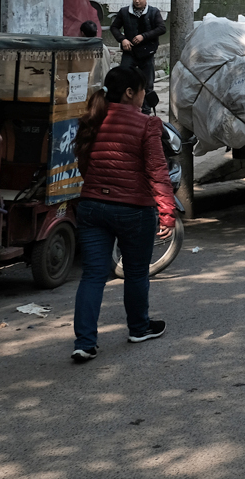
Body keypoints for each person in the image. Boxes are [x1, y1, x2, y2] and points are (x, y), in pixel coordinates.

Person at [70, 65, 177, 362]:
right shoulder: (147, 125)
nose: (144, 96)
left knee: (93, 275)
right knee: (136, 272)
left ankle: (84, 343)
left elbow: (83, 163)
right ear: (130, 92)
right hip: (133, 210)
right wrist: (167, 213)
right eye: (142, 90)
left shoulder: (93, 119)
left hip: (91, 207)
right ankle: (139, 327)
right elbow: (157, 172)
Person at [110, 0, 167, 114]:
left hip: (147, 53)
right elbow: (114, 27)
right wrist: (122, 39)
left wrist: (144, 36)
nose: (137, 1)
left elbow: (162, 28)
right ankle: (122, 109)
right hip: (129, 52)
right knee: (122, 79)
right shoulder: (124, 12)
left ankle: (145, 112)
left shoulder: (153, 12)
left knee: (147, 84)